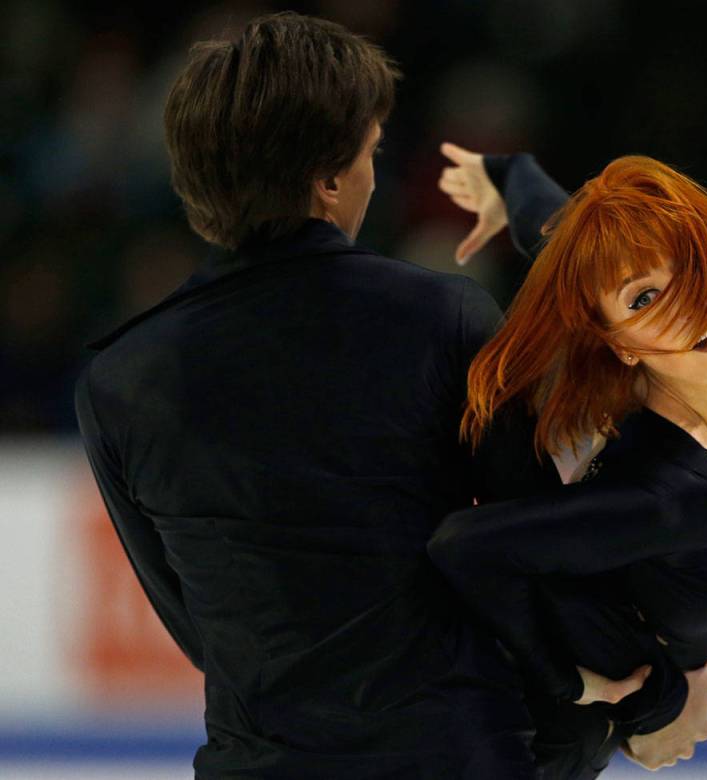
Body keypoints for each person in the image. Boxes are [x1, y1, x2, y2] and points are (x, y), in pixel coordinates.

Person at [74, 13, 672, 778]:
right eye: (369, 154)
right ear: (327, 181)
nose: (372, 175)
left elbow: (200, 628)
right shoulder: (441, 320)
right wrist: (655, 698)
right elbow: (543, 557)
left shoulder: (118, 381)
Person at [429, 144, 707, 777]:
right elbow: (464, 546)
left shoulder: (699, 367)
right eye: (644, 301)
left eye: (686, 269)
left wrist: (504, 175)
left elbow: (556, 226)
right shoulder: (677, 497)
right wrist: (595, 690)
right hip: (556, 740)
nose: (687, 307)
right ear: (620, 346)